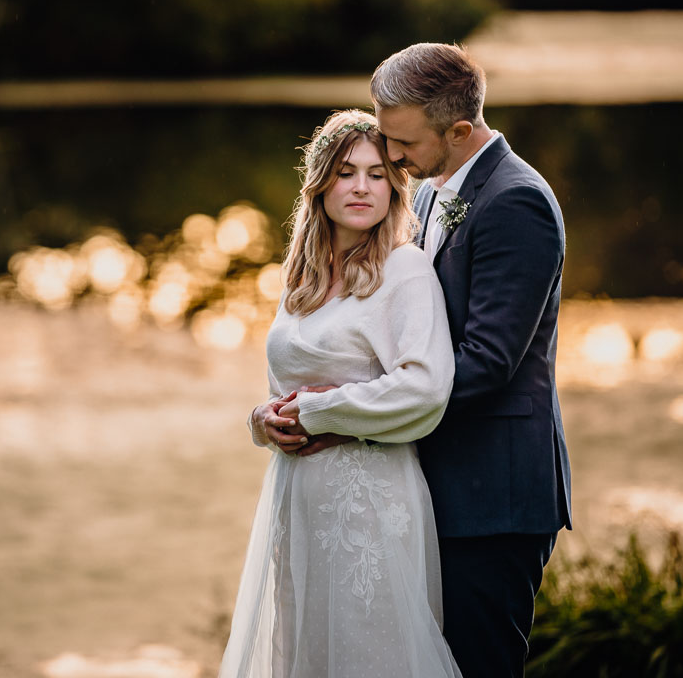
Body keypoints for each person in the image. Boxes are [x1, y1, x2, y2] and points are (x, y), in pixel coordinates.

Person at [311, 42, 569, 678]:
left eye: (402, 143)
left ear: (458, 130)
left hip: (493, 494)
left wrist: (354, 414)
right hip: (435, 483)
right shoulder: (430, 192)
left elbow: (486, 361)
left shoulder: (517, 202)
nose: (391, 157)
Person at [218, 110, 462, 678]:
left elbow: (425, 389)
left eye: (377, 174)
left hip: (368, 503)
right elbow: (285, 387)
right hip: (297, 498)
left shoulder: (406, 270)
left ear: (394, 186)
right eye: (346, 172)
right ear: (320, 182)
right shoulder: (300, 278)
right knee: (304, 655)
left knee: (372, 656)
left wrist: (321, 411)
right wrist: (262, 420)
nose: (360, 187)